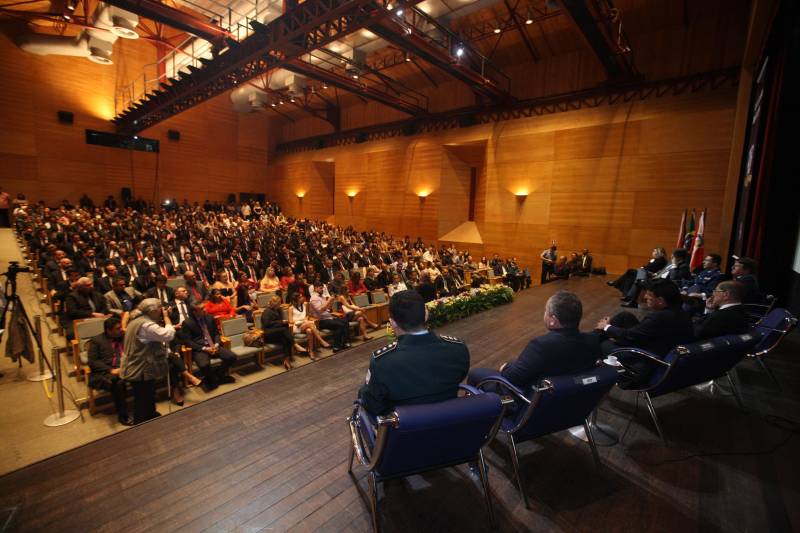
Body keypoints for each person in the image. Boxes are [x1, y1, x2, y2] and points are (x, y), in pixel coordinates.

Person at [358, 290, 470, 416]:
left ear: (392, 322)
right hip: (452, 422)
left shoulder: (382, 362)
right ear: (426, 315)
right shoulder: (458, 348)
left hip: (405, 431)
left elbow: (373, 404)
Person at [468, 291, 601, 392]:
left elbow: (513, 378)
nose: (544, 314)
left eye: (546, 311)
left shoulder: (541, 346)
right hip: (570, 401)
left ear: (553, 320)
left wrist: (506, 368)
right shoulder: (593, 341)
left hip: (532, 402)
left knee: (475, 374)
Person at [595, 279, 693, 387]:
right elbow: (640, 332)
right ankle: (591, 337)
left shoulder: (659, 318)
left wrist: (606, 327)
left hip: (642, 358)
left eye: (649, 295)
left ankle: (587, 346)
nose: (645, 297)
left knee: (601, 342)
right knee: (625, 316)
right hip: (654, 345)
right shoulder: (681, 313)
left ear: (660, 300)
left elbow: (629, 335)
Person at [119, 299, 176, 424]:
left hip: (138, 366)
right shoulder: (146, 325)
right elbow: (168, 335)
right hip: (140, 368)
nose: (161, 312)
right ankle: (142, 424)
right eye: (160, 310)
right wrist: (167, 318)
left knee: (148, 395)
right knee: (142, 400)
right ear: (154, 311)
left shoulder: (136, 320)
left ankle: (151, 417)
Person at [178, 302, 237, 391]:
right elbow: (188, 341)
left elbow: (216, 334)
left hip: (214, 345)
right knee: (204, 364)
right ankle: (214, 378)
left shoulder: (209, 318)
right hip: (200, 349)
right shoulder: (187, 323)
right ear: (195, 312)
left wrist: (216, 344)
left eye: (204, 308)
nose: (205, 310)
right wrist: (205, 348)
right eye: (201, 309)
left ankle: (218, 376)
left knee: (232, 357)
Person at [87, 317, 132, 426]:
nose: (121, 329)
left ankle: (144, 408)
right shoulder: (96, 341)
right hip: (108, 372)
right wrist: (111, 370)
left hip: (127, 367)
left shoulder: (125, 336)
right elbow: (93, 361)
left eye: (121, 327)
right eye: (117, 328)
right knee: (118, 383)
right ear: (108, 330)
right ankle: (123, 415)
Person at [260, 295, 306, 369]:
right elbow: (267, 324)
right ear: (274, 304)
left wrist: (283, 322)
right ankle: (295, 345)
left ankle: (286, 361)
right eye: (279, 303)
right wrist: (281, 322)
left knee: (285, 339)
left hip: (278, 332)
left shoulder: (278, 310)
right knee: (284, 330)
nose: (280, 304)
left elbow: (280, 323)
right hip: (268, 334)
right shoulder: (267, 312)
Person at [309, 281, 350, 351]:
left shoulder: (322, 297)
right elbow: (320, 310)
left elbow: (327, 309)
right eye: (320, 288)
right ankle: (337, 345)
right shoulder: (313, 298)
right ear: (315, 288)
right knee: (339, 325)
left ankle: (343, 343)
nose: (322, 290)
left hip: (329, 317)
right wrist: (329, 301)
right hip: (321, 320)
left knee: (345, 321)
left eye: (322, 288)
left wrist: (331, 302)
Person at [289, 292, 330, 360]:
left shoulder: (305, 304)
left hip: (305, 325)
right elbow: (290, 321)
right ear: (296, 299)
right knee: (310, 324)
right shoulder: (291, 308)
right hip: (297, 326)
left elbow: (307, 315)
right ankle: (320, 340)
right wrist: (301, 321)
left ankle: (311, 351)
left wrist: (305, 319)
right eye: (300, 297)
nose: (302, 298)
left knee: (309, 331)